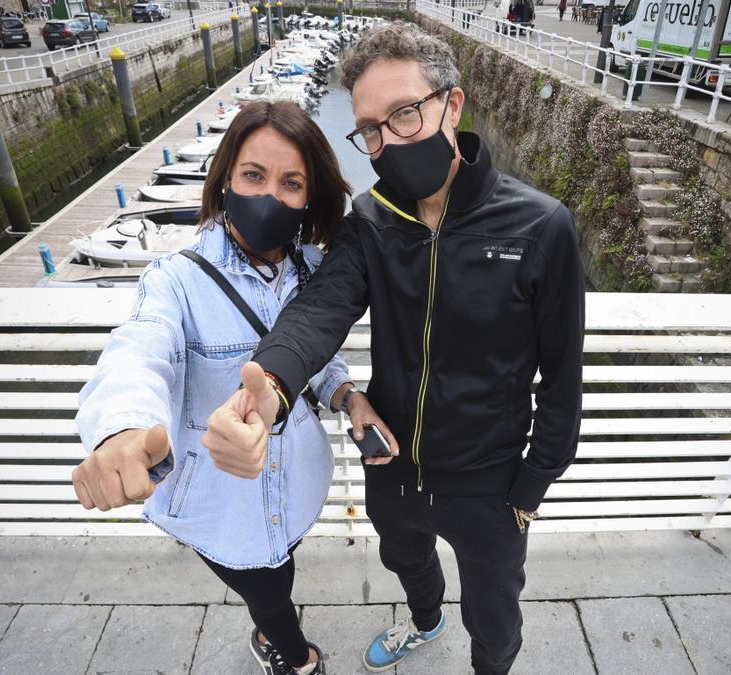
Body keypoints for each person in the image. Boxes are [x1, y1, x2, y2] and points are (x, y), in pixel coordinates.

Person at [203, 22, 585, 675]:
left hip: (490, 481)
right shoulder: (371, 223)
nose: (386, 142)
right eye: (370, 129)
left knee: (494, 613)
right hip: (394, 461)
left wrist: (532, 484)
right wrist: (271, 377)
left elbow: (562, 376)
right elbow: (320, 308)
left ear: (451, 105)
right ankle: (425, 617)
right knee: (404, 559)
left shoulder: (540, 225)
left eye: (403, 115)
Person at [71, 100, 398, 675]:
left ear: (308, 200)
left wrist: (349, 396)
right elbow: (141, 347)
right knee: (268, 595)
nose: (269, 195)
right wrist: (120, 428)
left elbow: (315, 357)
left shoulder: (311, 271)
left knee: (281, 571)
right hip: (220, 508)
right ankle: (294, 658)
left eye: (290, 182)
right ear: (224, 182)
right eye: (253, 175)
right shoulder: (175, 280)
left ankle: (274, 628)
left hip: (293, 488)